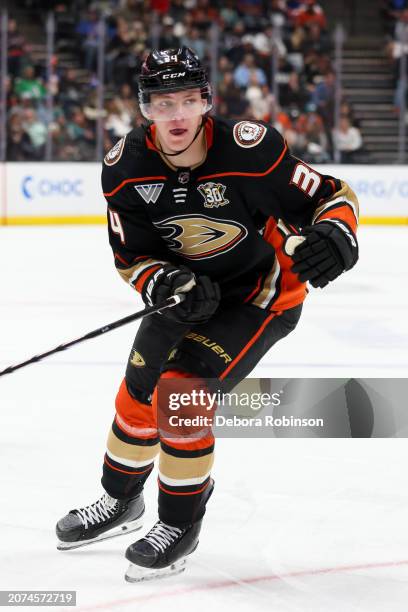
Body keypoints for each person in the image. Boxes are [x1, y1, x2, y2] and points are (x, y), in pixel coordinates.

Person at [56, 47, 359, 582]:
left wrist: (338, 230)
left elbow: (332, 196)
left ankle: (180, 523)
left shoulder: (251, 150)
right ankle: (120, 502)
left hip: (261, 294)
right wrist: (163, 281)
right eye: (162, 103)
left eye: (188, 101)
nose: (176, 116)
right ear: (144, 108)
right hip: (186, 294)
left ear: (206, 101)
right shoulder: (125, 169)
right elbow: (131, 258)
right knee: (137, 393)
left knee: (181, 392)